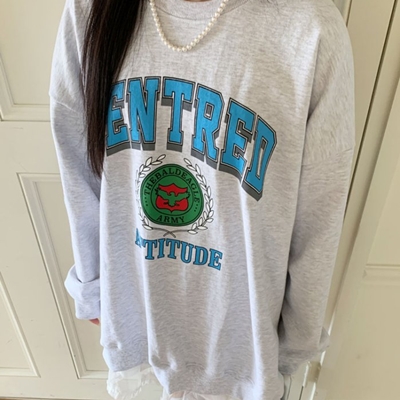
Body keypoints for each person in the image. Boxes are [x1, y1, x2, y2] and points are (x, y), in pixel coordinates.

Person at [48, 0, 355, 399]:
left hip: (242, 354)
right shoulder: (90, 10)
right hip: (136, 329)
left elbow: (318, 217)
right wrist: (93, 288)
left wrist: (295, 341)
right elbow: (79, 165)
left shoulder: (311, 29)